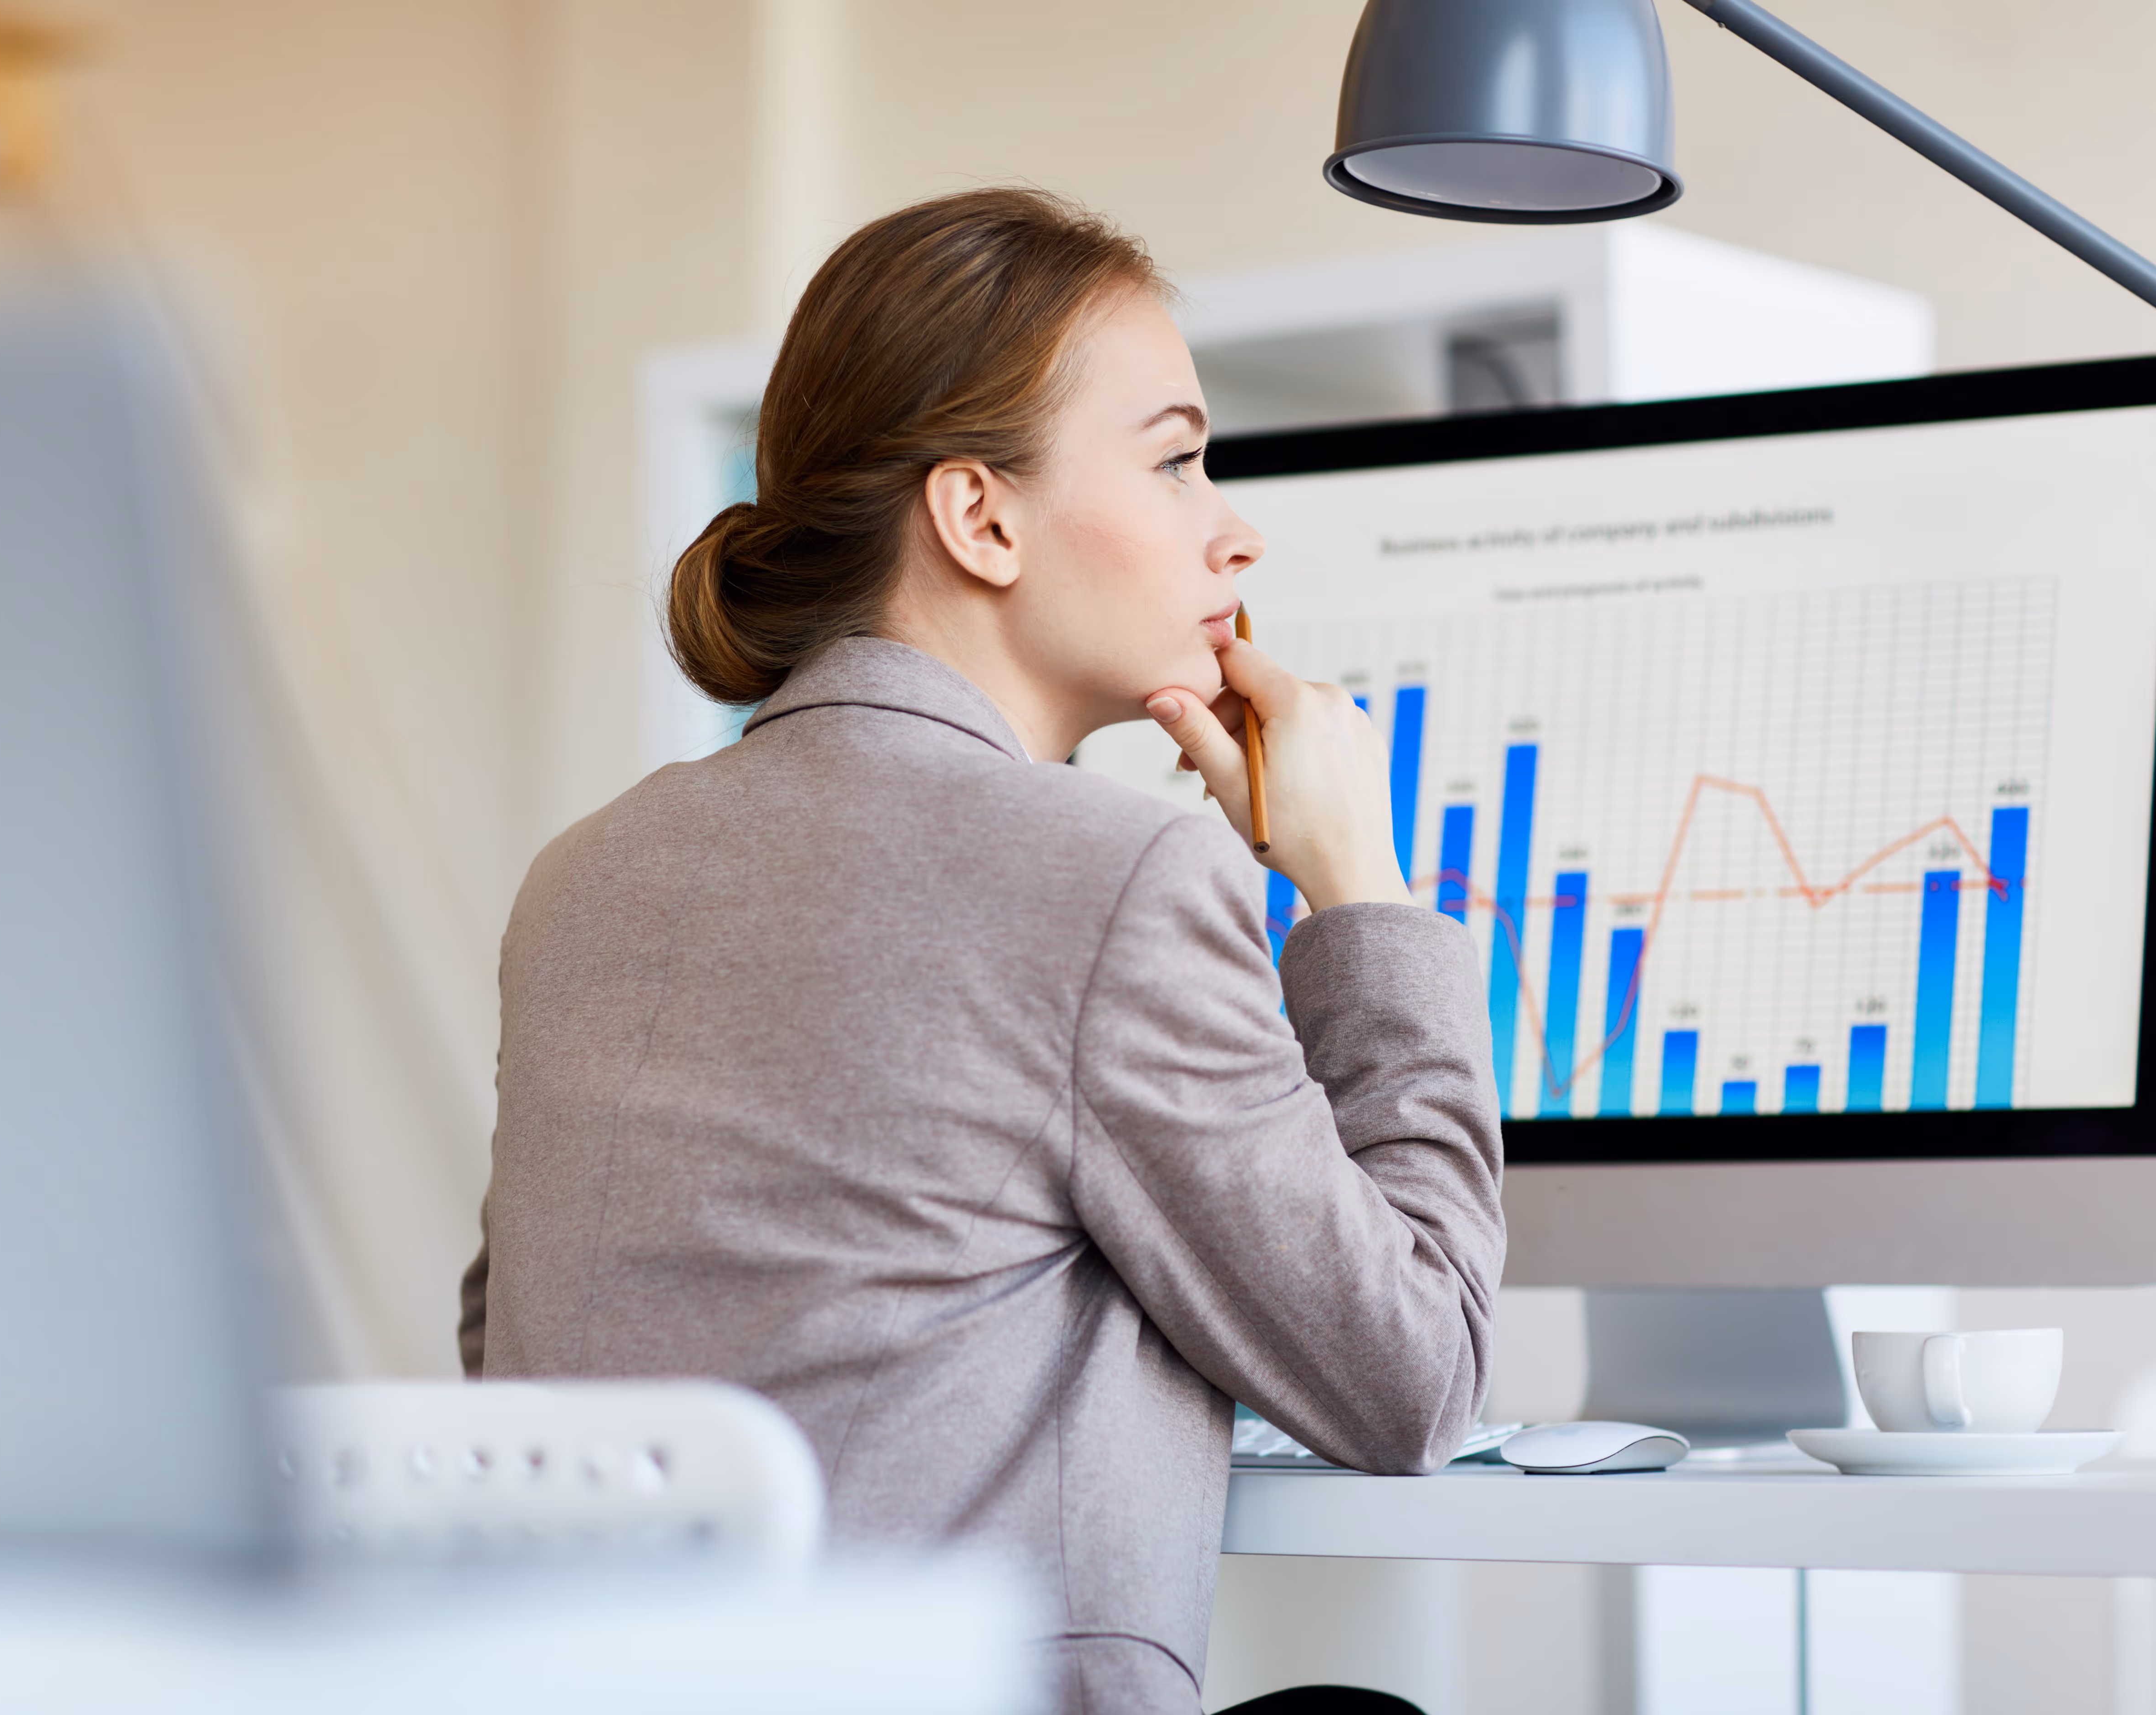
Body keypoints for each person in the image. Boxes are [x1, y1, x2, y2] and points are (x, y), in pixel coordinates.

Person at [458, 187, 1503, 1715]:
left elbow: (517, 1357)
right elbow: (1409, 1381)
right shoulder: (1115, 872)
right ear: (979, 517)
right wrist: (1358, 891)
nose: (1234, 529)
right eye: (1173, 459)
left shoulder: (584, 875)